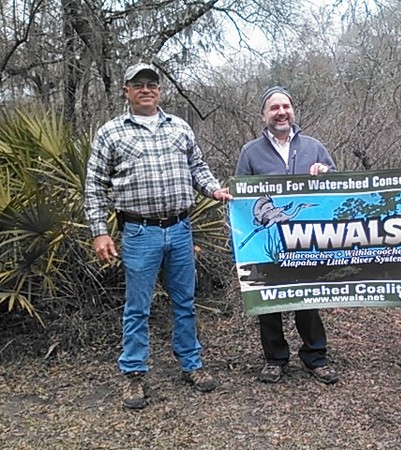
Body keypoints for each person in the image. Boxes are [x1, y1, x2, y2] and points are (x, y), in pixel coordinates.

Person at [84, 63, 232, 409]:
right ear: (126, 91)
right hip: (138, 231)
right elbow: (94, 186)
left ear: (160, 90)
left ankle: (191, 365)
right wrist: (99, 233)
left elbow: (198, 167)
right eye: (139, 85)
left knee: (185, 302)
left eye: (152, 84)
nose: (146, 89)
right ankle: (134, 374)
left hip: (180, 229)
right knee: (138, 307)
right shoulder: (111, 133)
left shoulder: (179, 127)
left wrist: (214, 190)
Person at [235, 86, 339, 384]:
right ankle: (274, 359)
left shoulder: (313, 147)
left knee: (307, 299)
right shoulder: (250, 152)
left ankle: (315, 356)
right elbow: (242, 198)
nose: (281, 112)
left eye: (286, 106)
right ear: (263, 115)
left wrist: (325, 172)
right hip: (267, 242)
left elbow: (337, 191)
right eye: (274, 108)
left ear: (293, 110)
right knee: (269, 300)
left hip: (306, 240)